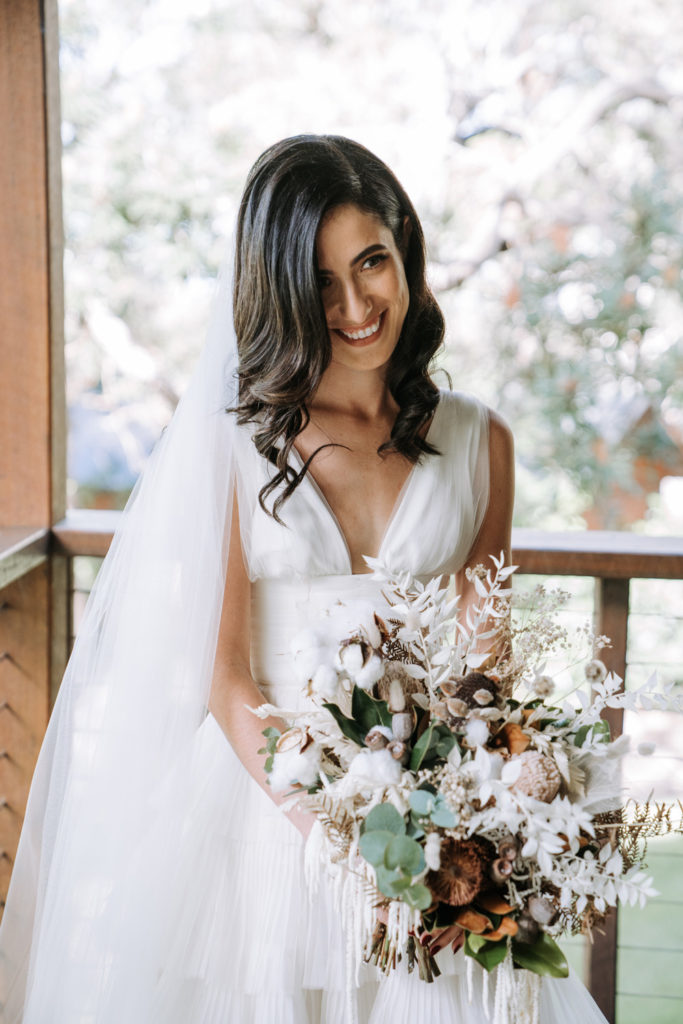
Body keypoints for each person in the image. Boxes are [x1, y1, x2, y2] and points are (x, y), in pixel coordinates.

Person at [0, 135, 608, 1024]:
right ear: (278, 287)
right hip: (260, 818)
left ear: (406, 255)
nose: (356, 304)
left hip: (437, 827)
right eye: (320, 280)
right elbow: (223, 677)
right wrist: (351, 843)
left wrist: (478, 821)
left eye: (372, 262)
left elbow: (484, 668)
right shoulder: (229, 443)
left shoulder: (483, 440)